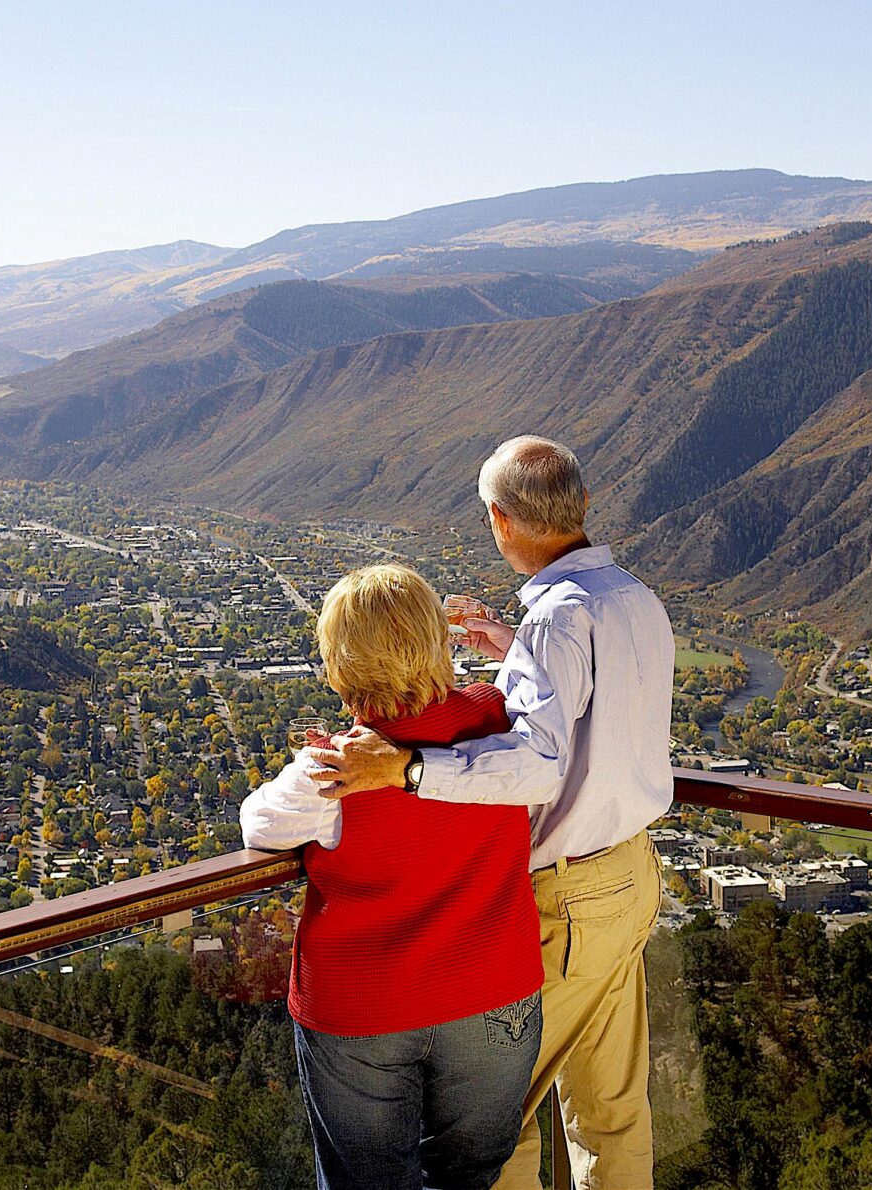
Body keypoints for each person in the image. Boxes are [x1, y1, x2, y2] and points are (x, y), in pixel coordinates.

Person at [310, 436, 675, 1190]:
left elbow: (539, 764)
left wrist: (408, 768)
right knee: (611, 1109)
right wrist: (514, 648)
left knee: (492, 1123)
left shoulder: (556, 621)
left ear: (500, 521)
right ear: (581, 505)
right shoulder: (632, 598)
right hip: (632, 874)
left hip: (569, 900)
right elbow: (598, 709)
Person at [241, 563, 543, 1190]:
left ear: (339, 664)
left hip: (363, 1007)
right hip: (493, 990)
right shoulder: (499, 720)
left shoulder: (334, 769)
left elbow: (259, 826)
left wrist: (311, 763)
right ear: (436, 639)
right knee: (470, 1176)